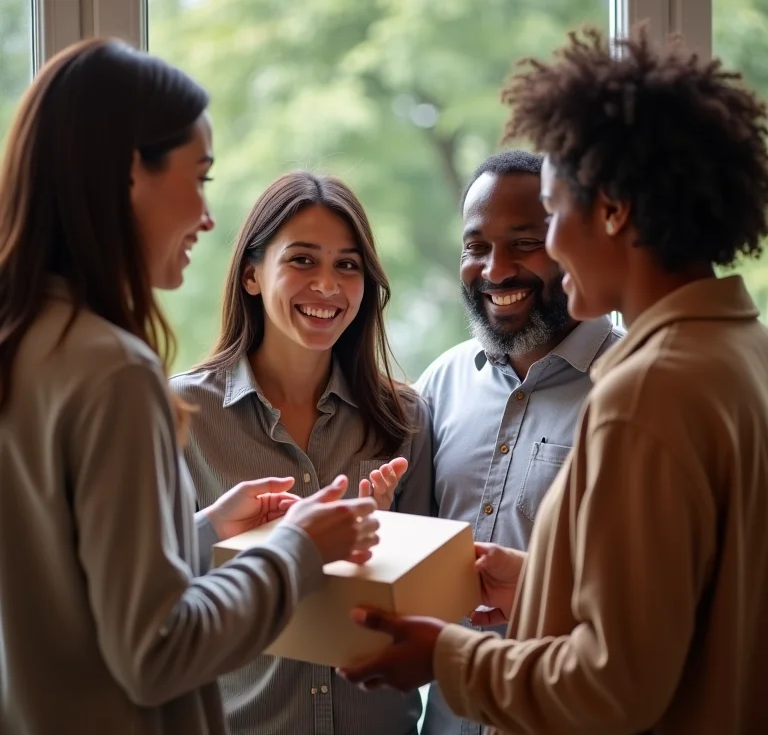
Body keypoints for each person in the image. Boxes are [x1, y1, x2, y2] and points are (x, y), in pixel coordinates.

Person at [338, 27, 768, 734]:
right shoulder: (743, 352)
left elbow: (613, 684)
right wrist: (540, 585)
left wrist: (447, 656)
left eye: (552, 214)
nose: (555, 248)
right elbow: (693, 604)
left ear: (612, 210)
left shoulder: (646, 391)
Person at [0, 38, 381, 735]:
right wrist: (296, 548)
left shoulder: (25, 344)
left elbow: (70, 591)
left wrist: (200, 533)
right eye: (199, 177)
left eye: (348, 265)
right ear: (129, 174)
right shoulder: (114, 372)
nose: (208, 216)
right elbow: (156, 651)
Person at [170, 170, 433, 735]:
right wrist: (215, 531)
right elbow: (150, 595)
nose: (328, 286)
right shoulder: (182, 414)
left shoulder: (404, 417)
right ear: (251, 275)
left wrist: (386, 542)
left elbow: (424, 611)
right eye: (303, 260)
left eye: (348, 265)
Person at [415, 148, 623, 735]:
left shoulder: (633, 387)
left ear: (571, 243)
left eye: (525, 242)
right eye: (476, 246)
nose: (496, 269)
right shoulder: (440, 384)